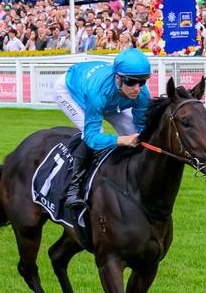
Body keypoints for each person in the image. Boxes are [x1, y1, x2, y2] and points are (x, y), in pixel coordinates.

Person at [53, 48, 151, 208]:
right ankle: (74, 190)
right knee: (96, 133)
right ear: (118, 78)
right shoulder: (97, 93)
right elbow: (92, 137)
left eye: (142, 82)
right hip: (71, 91)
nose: (137, 88)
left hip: (111, 98)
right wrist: (121, 140)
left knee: (135, 132)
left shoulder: (141, 94)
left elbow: (141, 126)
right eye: (131, 81)